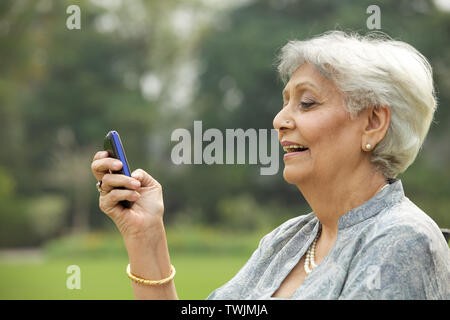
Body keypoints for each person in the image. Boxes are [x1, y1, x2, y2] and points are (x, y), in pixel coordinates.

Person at [90, 31, 450, 300]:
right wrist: (146, 236)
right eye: (286, 102)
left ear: (373, 123)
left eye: (306, 103)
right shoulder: (286, 240)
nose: (279, 120)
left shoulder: (402, 240)